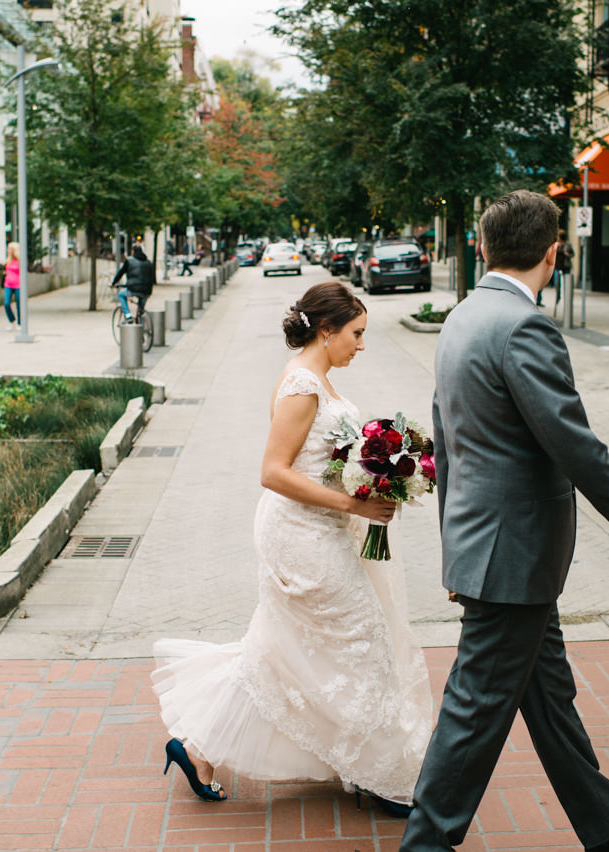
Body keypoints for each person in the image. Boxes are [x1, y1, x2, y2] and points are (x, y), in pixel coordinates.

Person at [401, 190, 609, 852]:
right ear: (555, 252)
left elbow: (449, 448)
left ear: (481, 247)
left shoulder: (464, 317)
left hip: (499, 555)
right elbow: (575, 446)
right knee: (474, 714)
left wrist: (457, 553)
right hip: (514, 558)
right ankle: (424, 845)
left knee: (550, 701)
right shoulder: (524, 326)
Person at [151, 281, 433, 816]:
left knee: (284, 651)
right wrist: (355, 505)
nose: (361, 345)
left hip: (320, 530)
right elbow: (272, 472)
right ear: (326, 331)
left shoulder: (319, 380)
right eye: (356, 334)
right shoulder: (303, 385)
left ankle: (198, 749)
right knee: (363, 640)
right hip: (302, 537)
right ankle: (374, 772)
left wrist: (376, 474)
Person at [111, 245, 154, 321]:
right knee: (141, 310)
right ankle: (142, 327)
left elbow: (121, 273)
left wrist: (113, 283)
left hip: (134, 288)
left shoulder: (129, 261)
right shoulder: (148, 262)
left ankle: (128, 316)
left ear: (133, 251)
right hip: (147, 290)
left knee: (121, 295)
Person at [550, 229, 573, 314]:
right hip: (557, 266)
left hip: (565, 266)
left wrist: (568, 254)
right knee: (557, 283)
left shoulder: (568, 244)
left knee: (567, 284)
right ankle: (558, 297)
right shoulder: (555, 245)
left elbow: (572, 254)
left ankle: (566, 298)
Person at [2, 242, 21, 328]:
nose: (8, 251)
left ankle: (20, 323)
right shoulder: (8, 260)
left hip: (18, 285)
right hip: (8, 284)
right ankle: (12, 321)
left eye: (9, 249)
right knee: (6, 303)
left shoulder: (20, 260)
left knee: (19, 304)